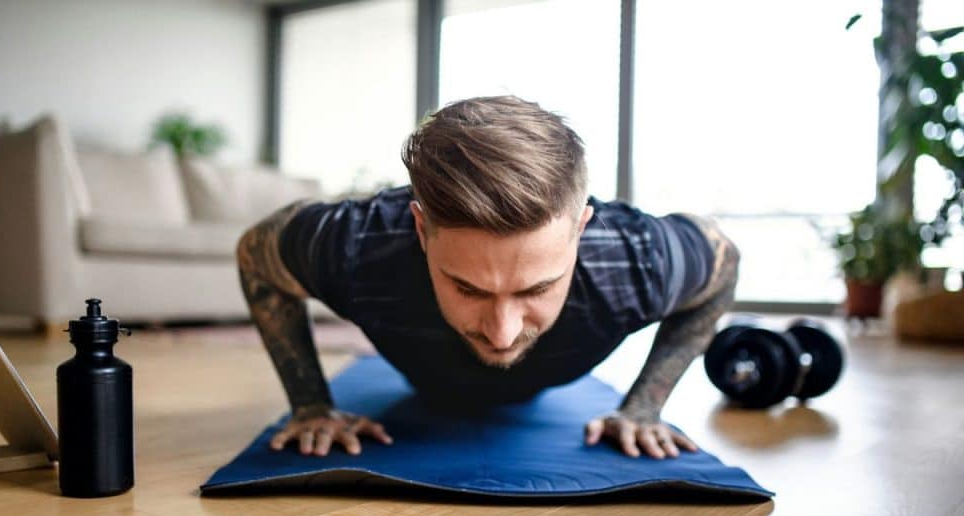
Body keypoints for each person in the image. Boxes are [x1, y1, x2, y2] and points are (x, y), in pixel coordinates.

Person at [236, 95, 738, 460]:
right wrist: (309, 404)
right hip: (420, 382)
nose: (503, 332)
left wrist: (645, 405)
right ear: (419, 228)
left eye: (536, 289)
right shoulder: (356, 245)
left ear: (581, 229)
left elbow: (725, 262)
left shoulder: (636, 261)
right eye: (468, 288)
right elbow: (256, 255)